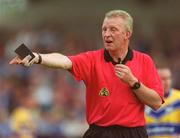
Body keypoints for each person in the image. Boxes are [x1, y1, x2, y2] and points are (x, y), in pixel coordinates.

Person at [10, 10, 164, 138]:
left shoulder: (144, 61)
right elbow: (64, 61)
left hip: (133, 133)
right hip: (99, 133)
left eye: (113, 29)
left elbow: (156, 103)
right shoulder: (92, 59)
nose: (106, 34)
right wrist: (37, 57)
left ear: (127, 34)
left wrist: (133, 82)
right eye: (104, 29)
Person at [145, 66, 180, 138]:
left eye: (169, 78)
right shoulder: (144, 100)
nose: (167, 82)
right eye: (163, 79)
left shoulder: (178, 99)